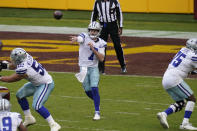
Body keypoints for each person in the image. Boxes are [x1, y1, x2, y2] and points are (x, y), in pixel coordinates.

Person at [0, 48, 61, 131]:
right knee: (20, 95)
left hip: (45, 84)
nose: (12, 60)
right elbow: (16, 64)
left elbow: (12, 79)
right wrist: (5, 66)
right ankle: (29, 118)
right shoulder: (26, 57)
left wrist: (1, 77)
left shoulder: (23, 68)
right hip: (36, 83)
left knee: (37, 106)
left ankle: (53, 124)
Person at [157, 38, 197, 130]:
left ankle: (164, 114)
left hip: (166, 78)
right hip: (174, 78)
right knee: (192, 99)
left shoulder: (182, 50)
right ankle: (185, 124)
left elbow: (185, 67)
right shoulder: (192, 55)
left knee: (181, 103)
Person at [70, 21, 107, 120]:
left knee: (94, 87)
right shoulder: (84, 36)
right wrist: (76, 39)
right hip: (83, 68)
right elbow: (80, 38)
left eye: (95, 30)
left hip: (94, 68)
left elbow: (101, 58)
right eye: (91, 30)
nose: (93, 32)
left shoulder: (102, 42)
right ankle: (97, 103)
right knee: (87, 91)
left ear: (98, 31)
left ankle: (97, 112)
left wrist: (93, 48)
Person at [91, 0, 126, 74]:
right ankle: (101, 69)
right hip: (102, 26)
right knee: (101, 47)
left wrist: (120, 26)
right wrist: (92, 26)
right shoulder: (97, 2)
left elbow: (119, 13)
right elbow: (94, 13)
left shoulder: (114, 1)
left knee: (117, 45)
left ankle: (123, 66)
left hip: (113, 25)